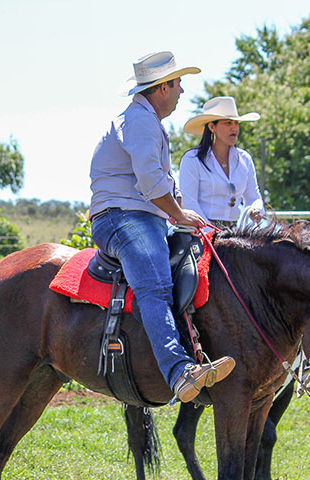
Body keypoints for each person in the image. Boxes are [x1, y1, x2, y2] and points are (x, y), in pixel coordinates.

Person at [89, 51, 235, 403]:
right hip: (123, 218)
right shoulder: (141, 122)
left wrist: (182, 210)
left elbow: (162, 182)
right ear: (163, 87)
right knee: (155, 286)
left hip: (139, 215)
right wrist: (181, 215)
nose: (183, 90)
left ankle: (193, 353)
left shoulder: (146, 120)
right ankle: (178, 372)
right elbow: (152, 182)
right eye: (179, 83)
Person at [179, 97, 264, 230]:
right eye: (228, 123)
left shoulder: (245, 159)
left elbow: (253, 196)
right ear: (212, 127)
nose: (234, 128)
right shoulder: (192, 159)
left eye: (236, 123)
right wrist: (211, 231)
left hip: (235, 232)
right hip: (201, 232)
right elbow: (189, 202)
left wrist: (255, 209)